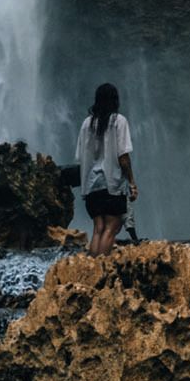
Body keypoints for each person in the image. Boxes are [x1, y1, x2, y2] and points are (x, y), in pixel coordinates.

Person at [75, 83, 137, 255]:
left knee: (98, 228)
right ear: (115, 100)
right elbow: (123, 157)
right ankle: (99, 267)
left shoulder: (87, 124)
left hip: (91, 184)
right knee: (111, 227)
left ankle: (91, 267)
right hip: (111, 184)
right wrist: (132, 182)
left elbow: (81, 156)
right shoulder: (119, 121)